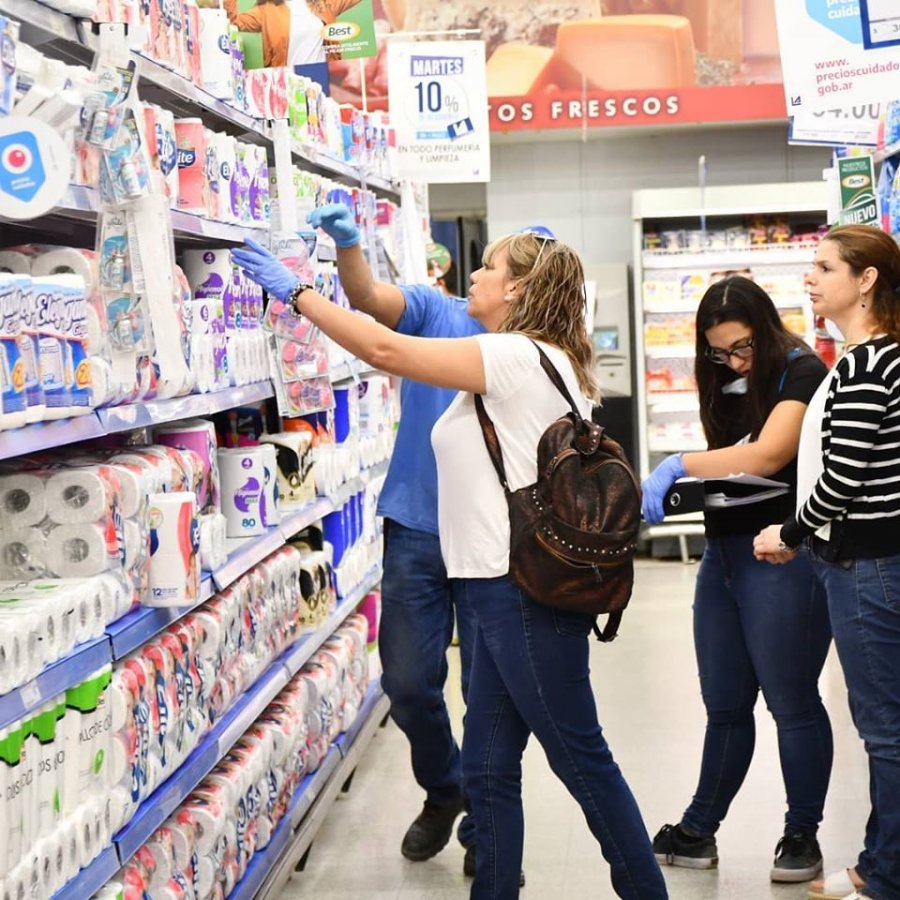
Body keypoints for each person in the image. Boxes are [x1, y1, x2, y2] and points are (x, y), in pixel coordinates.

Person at [232, 229, 668, 900]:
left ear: (517, 288)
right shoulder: (527, 356)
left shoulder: (513, 355)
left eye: (489, 267)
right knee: (489, 770)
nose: (474, 276)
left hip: (520, 596)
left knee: (582, 758)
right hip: (495, 587)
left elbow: (383, 348)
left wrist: (297, 293)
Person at [301, 203, 482, 872]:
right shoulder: (440, 311)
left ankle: (489, 824)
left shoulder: (536, 346)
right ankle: (445, 786)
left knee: (491, 694)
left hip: (496, 540)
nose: (478, 273)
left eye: (495, 267)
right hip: (416, 525)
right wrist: (349, 247)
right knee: (407, 681)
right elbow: (370, 300)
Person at [641, 275, 833, 883]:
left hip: (783, 555)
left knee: (792, 701)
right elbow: (734, 454)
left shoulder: (802, 371)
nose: (733, 361)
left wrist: (678, 465)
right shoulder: (723, 375)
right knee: (724, 704)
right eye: (719, 352)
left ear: (766, 330)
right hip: (723, 554)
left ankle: (801, 835)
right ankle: (698, 830)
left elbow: (771, 452)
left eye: (742, 347)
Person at [753, 225, 900, 900]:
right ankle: (879, 860)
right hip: (871, 559)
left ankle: (884, 874)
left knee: (884, 728)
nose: (810, 277)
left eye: (824, 266)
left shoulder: (869, 363)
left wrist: (788, 532)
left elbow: (842, 477)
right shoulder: (873, 357)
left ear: (866, 280)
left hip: (868, 566)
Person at [221, 0, 360, 67]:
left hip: (323, 76)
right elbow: (233, 22)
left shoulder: (324, 4)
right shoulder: (266, 11)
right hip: (287, 82)